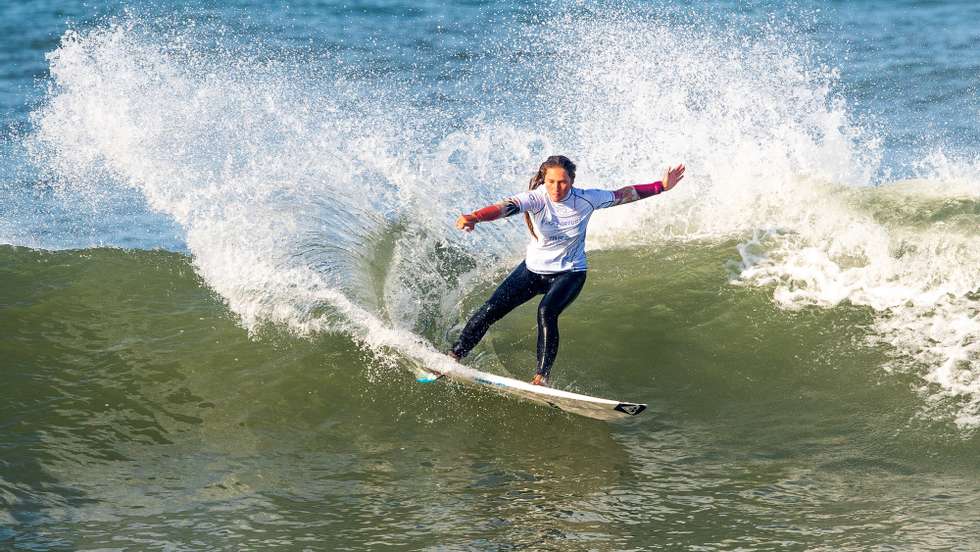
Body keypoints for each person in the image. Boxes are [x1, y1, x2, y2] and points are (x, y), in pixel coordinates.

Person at [448, 155, 685, 386]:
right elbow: (506, 207)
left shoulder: (587, 199)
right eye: (551, 181)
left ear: (572, 180)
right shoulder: (536, 198)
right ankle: (454, 357)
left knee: (546, 311)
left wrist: (661, 186)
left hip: (569, 273)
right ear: (544, 179)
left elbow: (625, 194)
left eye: (562, 182)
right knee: (490, 309)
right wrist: (475, 217)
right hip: (532, 271)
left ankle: (541, 377)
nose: (556, 187)